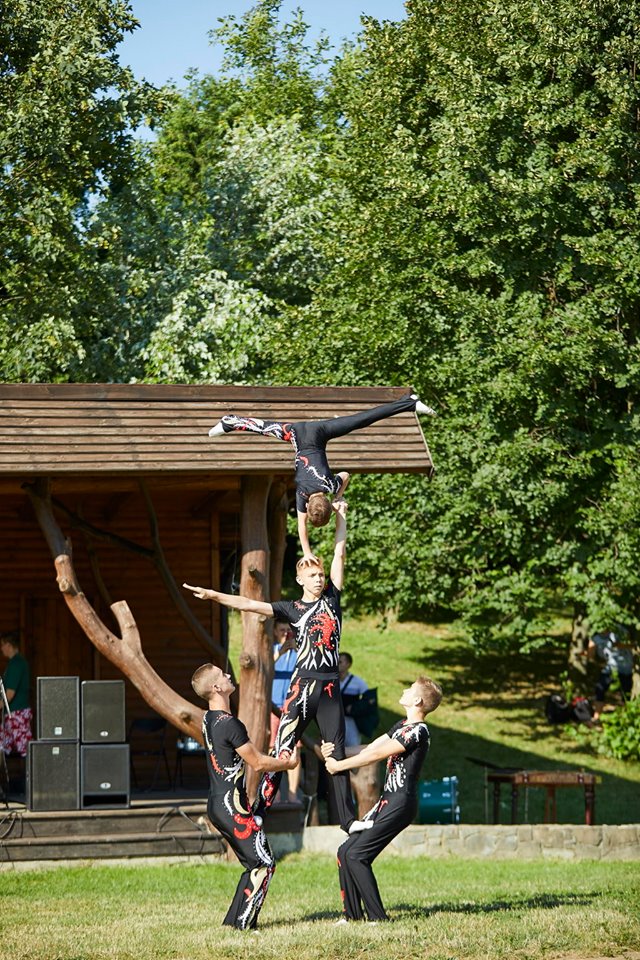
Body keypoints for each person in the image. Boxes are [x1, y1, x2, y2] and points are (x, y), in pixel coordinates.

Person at [184, 499, 358, 833]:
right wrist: (214, 595)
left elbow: (339, 552)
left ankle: (347, 820)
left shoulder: (332, 599)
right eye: (312, 575)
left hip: (330, 688)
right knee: (282, 749)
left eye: (321, 575)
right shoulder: (290, 609)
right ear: (300, 579)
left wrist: (342, 519)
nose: (319, 579)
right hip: (303, 686)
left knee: (336, 753)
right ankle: (260, 809)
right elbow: (248, 603)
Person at [208, 393, 434, 562]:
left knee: (362, 420)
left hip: (319, 432)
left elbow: (345, 475)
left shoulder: (330, 485)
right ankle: (230, 422)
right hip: (297, 433)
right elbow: (301, 528)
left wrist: (338, 496)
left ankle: (409, 403)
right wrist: (306, 552)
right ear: (308, 505)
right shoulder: (301, 493)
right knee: (263, 428)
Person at [322, 676, 443, 923]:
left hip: (401, 803)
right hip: (388, 801)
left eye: (410, 689)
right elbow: (369, 748)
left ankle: (378, 918)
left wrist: (339, 766)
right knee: (345, 851)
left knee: (357, 855)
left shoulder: (418, 731)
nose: (404, 690)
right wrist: (334, 754)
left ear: (418, 701)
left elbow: (376, 756)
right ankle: (352, 916)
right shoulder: (402, 725)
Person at [191, 662, 298, 930]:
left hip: (218, 805)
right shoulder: (230, 724)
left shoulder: (208, 719)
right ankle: (243, 926)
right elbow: (258, 763)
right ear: (217, 687)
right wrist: (287, 764)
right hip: (233, 809)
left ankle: (233, 924)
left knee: (254, 864)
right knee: (264, 864)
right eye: (223, 675)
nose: (229, 675)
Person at [271, 619, 302, 802]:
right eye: (282, 630)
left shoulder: (299, 652)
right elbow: (265, 668)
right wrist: (281, 652)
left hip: (293, 705)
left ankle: (292, 792)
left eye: (288, 631)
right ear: (275, 632)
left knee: (294, 749)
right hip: (273, 705)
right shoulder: (271, 649)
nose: (285, 634)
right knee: (272, 748)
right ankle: (274, 792)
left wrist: (297, 649)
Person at [587, 628, 634, 721]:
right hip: (610, 667)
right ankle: (596, 717)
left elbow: (633, 645)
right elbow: (590, 655)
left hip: (626, 667)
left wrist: (619, 645)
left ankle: (627, 716)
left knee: (626, 692)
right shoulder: (595, 637)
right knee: (600, 689)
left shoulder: (620, 631)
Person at [0, 633, 33, 758]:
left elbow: (9, 695)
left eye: (2, 645)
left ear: (9, 645)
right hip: (11, 713)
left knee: (25, 748)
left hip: (17, 714)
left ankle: (35, 770)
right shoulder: (15, 663)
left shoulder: (16, 664)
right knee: (2, 744)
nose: (1, 648)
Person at [339, 652, 369, 748]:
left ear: (348, 664)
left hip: (351, 721)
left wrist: (355, 707)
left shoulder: (357, 682)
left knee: (352, 746)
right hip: (334, 719)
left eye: (340, 662)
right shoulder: (331, 681)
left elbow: (368, 699)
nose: (337, 664)